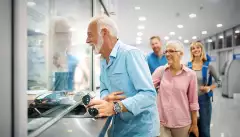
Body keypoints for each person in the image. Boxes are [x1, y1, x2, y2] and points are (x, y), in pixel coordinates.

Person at [85, 15, 160, 137]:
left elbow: (149, 95)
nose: (87, 41)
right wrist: (106, 97)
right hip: (119, 129)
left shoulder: (130, 54)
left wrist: (116, 107)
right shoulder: (104, 60)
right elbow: (104, 88)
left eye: (89, 35)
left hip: (141, 131)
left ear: (104, 32)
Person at [152, 40, 199, 137]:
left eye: (171, 51)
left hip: (182, 123)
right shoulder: (160, 71)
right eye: (166, 51)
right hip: (162, 122)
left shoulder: (191, 75)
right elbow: (147, 89)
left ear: (181, 54)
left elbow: (193, 102)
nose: (167, 54)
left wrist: (194, 125)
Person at [188, 42, 221, 137]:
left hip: (204, 101)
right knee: (191, 129)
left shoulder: (209, 66)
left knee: (204, 129)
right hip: (189, 101)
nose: (196, 50)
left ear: (202, 49)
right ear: (191, 51)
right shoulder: (187, 66)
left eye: (198, 47)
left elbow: (219, 81)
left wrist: (209, 88)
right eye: (193, 48)